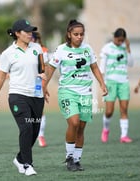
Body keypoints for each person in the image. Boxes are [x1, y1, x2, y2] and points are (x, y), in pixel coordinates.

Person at [46, 19, 107, 171]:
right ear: (69, 34)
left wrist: (102, 84)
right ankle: (69, 158)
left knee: (81, 127)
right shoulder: (61, 50)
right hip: (67, 91)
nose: (79, 37)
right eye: (76, 34)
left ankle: (77, 160)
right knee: (73, 122)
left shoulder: (88, 49)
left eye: (81, 34)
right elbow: (50, 69)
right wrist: (43, 86)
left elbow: (94, 67)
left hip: (85, 93)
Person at [0, 19, 46, 176]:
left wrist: (44, 84)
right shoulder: (7, 54)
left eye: (31, 31)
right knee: (26, 128)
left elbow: (42, 69)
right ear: (17, 34)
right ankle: (28, 165)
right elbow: (1, 77)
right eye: (26, 31)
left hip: (36, 96)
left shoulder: (37, 48)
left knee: (35, 131)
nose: (30, 34)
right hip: (17, 96)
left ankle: (20, 159)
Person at [99, 28, 134, 143]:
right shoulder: (107, 48)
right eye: (118, 40)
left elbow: (131, 63)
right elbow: (102, 67)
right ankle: (106, 129)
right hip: (110, 82)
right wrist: (102, 83)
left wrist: (128, 48)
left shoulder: (125, 47)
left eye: (122, 40)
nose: (120, 42)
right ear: (114, 37)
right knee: (109, 111)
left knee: (124, 109)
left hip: (123, 82)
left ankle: (124, 136)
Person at [32, 31, 48, 147]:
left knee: (40, 111)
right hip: (24, 84)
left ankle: (41, 135)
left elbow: (44, 70)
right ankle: (31, 134)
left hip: (37, 83)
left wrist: (44, 86)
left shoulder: (42, 50)